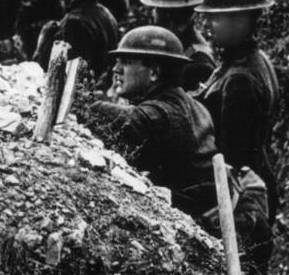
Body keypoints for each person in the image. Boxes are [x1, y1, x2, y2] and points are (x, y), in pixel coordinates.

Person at [89, 26, 273, 275]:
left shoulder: (166, 113)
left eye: (126, 62)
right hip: (234, 220)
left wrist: (81, 100)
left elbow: (132, 120)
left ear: (154, 72)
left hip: (235, 230)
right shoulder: (182, 102)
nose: (116, 69)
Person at [194, 0, 280, 224]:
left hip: (240, 192)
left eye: (215, 18)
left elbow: (235, 154)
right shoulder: (251, 61)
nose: (207, 25)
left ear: (241, 21)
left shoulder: (240, 78)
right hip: (253, 181)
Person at [140, 0, 215, 92]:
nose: (152, 13)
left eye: (156, 9)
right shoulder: (177, 48)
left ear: (168, 18)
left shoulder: (197, 64)